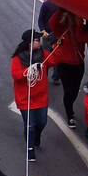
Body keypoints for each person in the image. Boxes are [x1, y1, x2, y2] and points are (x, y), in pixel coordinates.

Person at [10, 29, 55, 162]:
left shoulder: (44, 54)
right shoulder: (17, 59)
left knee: (42, 122)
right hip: (25, 98)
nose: (39, 42)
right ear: (29, 43)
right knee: (29, 124)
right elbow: (16, 75)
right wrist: (29, 70)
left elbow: (54, 60)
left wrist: (57, 45)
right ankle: (30, 149)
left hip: (41, 98)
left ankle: (36, 137)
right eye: (36, 40)